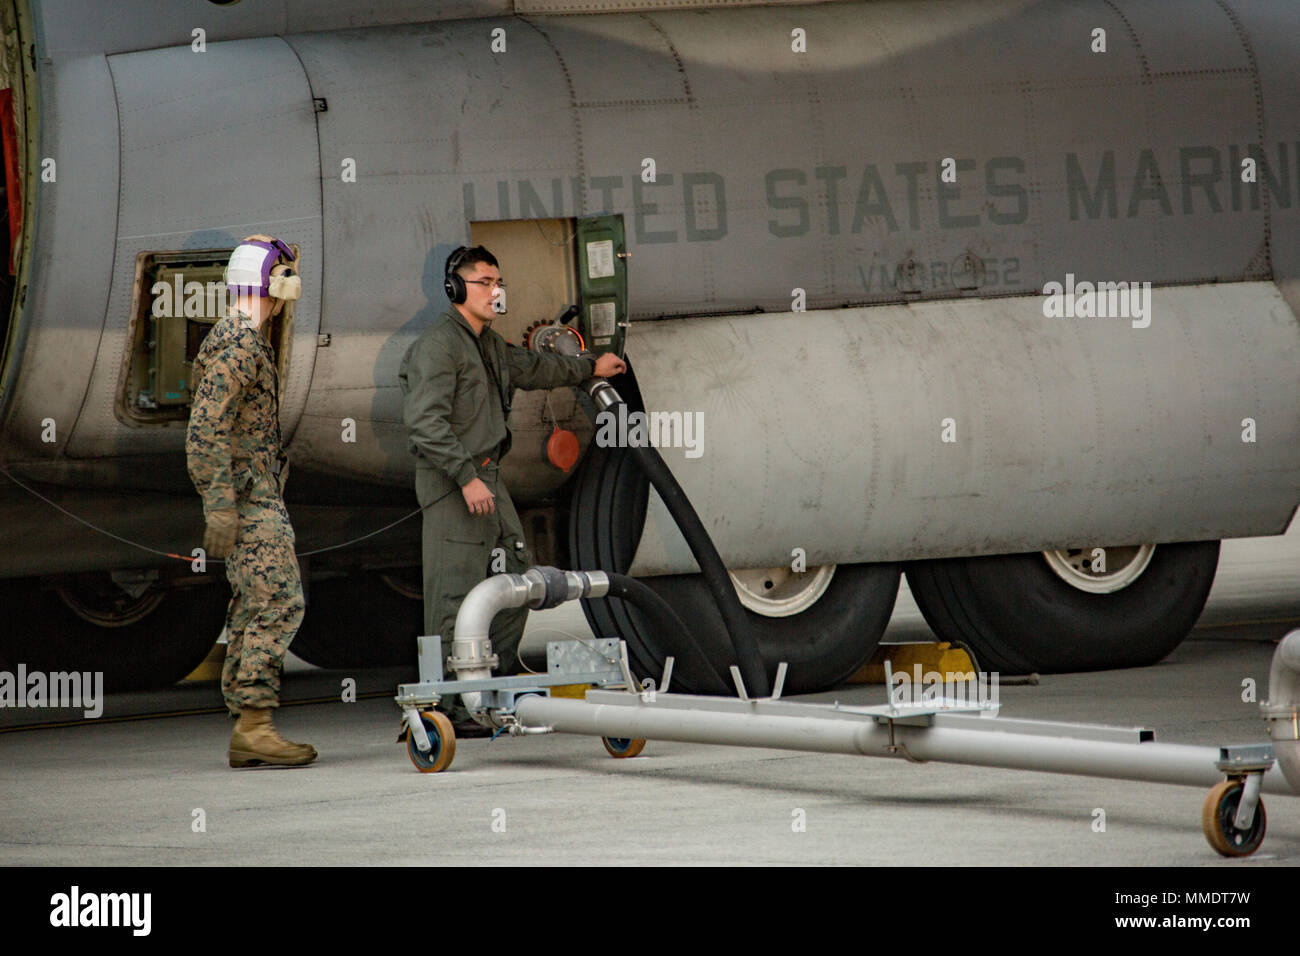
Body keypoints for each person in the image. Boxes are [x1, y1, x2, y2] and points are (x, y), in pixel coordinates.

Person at [399, 245, 626, 731]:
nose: (495, 291)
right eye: (484, 282)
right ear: (456, 288)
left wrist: (591, 368)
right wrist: (465, 478)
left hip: (486, 477)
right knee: (454, 595)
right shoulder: (439, 346)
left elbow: (534, 369)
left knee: (517, 577)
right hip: (453, 481)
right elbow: (425, 423)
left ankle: (488, 689)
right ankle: (448, 709)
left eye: (498, 282)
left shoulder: (487, 344)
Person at [186, 234, 316, 768]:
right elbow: (203, 429)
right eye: (286, 274)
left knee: (252, 606)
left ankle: (248, 723)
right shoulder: (240, 347)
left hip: (253, 493)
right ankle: (255, 726)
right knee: (280, 602)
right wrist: (220, 503)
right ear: (273, 283)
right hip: (251, 499)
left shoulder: (237, 339)